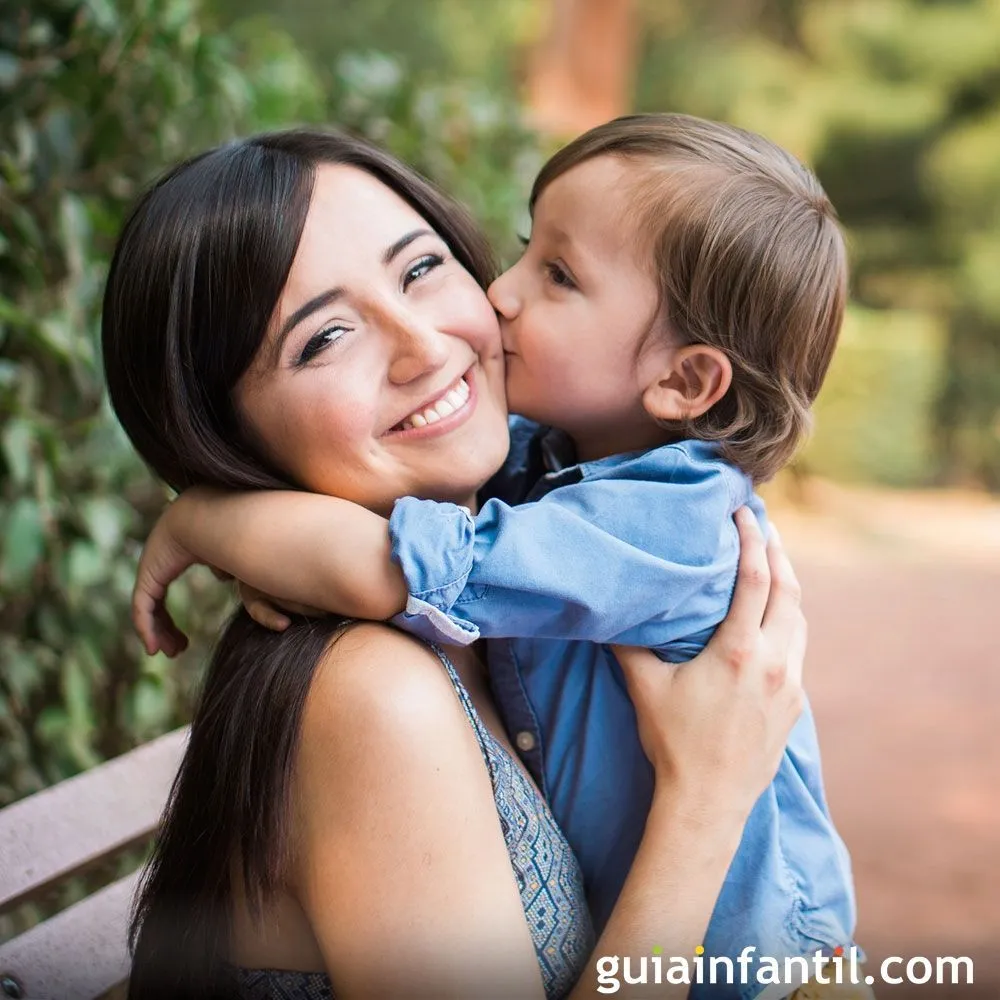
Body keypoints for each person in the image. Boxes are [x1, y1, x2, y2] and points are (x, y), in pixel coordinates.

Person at [131, 115, 862, 999]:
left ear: (683, 382)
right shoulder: (376, 693)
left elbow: (392, 565)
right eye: (324, 337)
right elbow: (385, 562)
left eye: (422, 269)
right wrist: (705, 801)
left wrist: (208, 521)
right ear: (221, 428)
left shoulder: (635, 510)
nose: (432, 343)